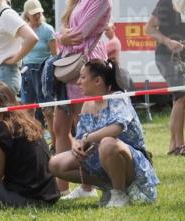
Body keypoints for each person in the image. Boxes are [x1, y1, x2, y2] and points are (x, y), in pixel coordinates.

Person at [49, 60, 159, 207]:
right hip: (100, 158)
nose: (78, 82)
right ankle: (109, 188)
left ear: (98, 81)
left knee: (107, 143)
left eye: (82, 77)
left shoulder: (118, 98)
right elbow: (81, 136)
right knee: (55, 163)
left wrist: (88, 138)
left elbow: (116, 128)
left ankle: (120, 194)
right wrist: (76, 144)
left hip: (131, 163)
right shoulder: (87, 105)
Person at [53, 0, 113, 198]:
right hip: (72, 65)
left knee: (84, 125)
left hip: (87, 65)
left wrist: (61, 37)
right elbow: (68, 34)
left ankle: (89, 184)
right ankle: (67, 186)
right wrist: (63, 37)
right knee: (60, 126)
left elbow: (81, 33)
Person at [0, 82, 60, 208]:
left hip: (27, 199)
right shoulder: (29, 122)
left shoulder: (2, 130)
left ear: (0, 104)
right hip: (50, 195)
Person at [144, 0, 185, 155]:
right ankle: (178, 145)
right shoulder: (166, 2)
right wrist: (167, 41)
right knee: (182, 97)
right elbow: (149, 28)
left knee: (182, 99)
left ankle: (173, 145)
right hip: (166, 55)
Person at [19, 0, 58, 130]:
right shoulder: (23, 30)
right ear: (26, 15)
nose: (37, 15)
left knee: (47, 109)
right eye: (33, 13)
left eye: (39, 13)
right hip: (26, 70)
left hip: (43, 69)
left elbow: (55, 55)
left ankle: (54, 141)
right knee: (27, 108)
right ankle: (32, 140)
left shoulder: (47, 29)